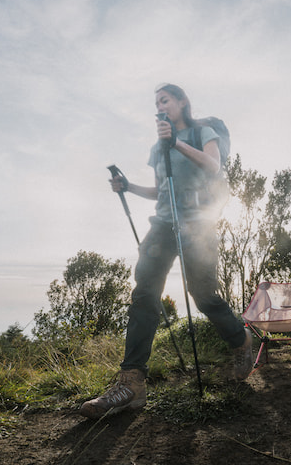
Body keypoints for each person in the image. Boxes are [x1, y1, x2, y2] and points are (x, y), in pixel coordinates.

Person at [80, 83, 253, 419]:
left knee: (203, 296)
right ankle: (131, 384)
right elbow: (161, 190)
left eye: (165, 99)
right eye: (156, 101)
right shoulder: (157, 148)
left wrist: (177, 142)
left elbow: (213, 166)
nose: (159, 105)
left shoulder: (204, 132)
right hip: (162, 224)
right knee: (144, 292)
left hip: (198, 224)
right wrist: (128, 186)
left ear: (181, 102)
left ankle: (240, 341)